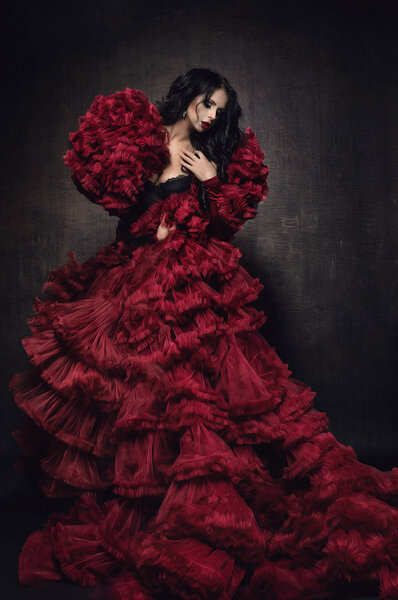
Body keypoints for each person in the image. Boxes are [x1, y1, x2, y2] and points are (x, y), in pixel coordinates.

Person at [9, 67, 398, 600]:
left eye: (220, 109)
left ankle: (210, 506)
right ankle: (155, 502)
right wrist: (155, 223)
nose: (213, 115)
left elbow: (227, 221)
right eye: (208, 103)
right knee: (146, 400)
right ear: (188, 95)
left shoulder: (212, 157)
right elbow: (123, 217)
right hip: (141, 284)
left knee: (201, 397)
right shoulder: (138, 141)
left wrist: (211, 181)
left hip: (191, 287)